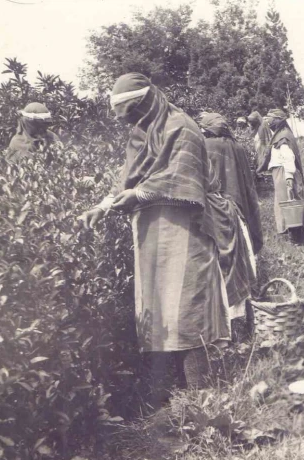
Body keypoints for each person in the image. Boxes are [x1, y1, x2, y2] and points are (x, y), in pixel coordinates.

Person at [77, 73, 230, 397]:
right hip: (151, 233)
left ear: (145, 103)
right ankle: (166, 395)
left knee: (188, 308)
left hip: (185, 228)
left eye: (131, 113)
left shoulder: (181, 126)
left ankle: (202, 398)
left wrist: (140, 195)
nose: (127, 122)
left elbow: (182, 176)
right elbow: (128, 181)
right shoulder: (140, 134)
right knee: (158, 306)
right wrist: (103, 206)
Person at [198, 112, 262, 318]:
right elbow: (247, 184)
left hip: (215, 208)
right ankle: (247, 306)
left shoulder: (206, 146)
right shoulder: (238, 147)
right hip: (238, 207)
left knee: (220, 260)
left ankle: (226, 315)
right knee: (244, 254)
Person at [264, 108, 304, 245]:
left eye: (270, 118)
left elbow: (288, 158)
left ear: (278, 120)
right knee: (285, 203)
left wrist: (289, 177)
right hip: (280, 173)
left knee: (289, 204)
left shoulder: (283, 137)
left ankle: (296, 237)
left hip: (284, 173)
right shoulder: (280, 134)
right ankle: (293, 234)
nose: (268, 121)